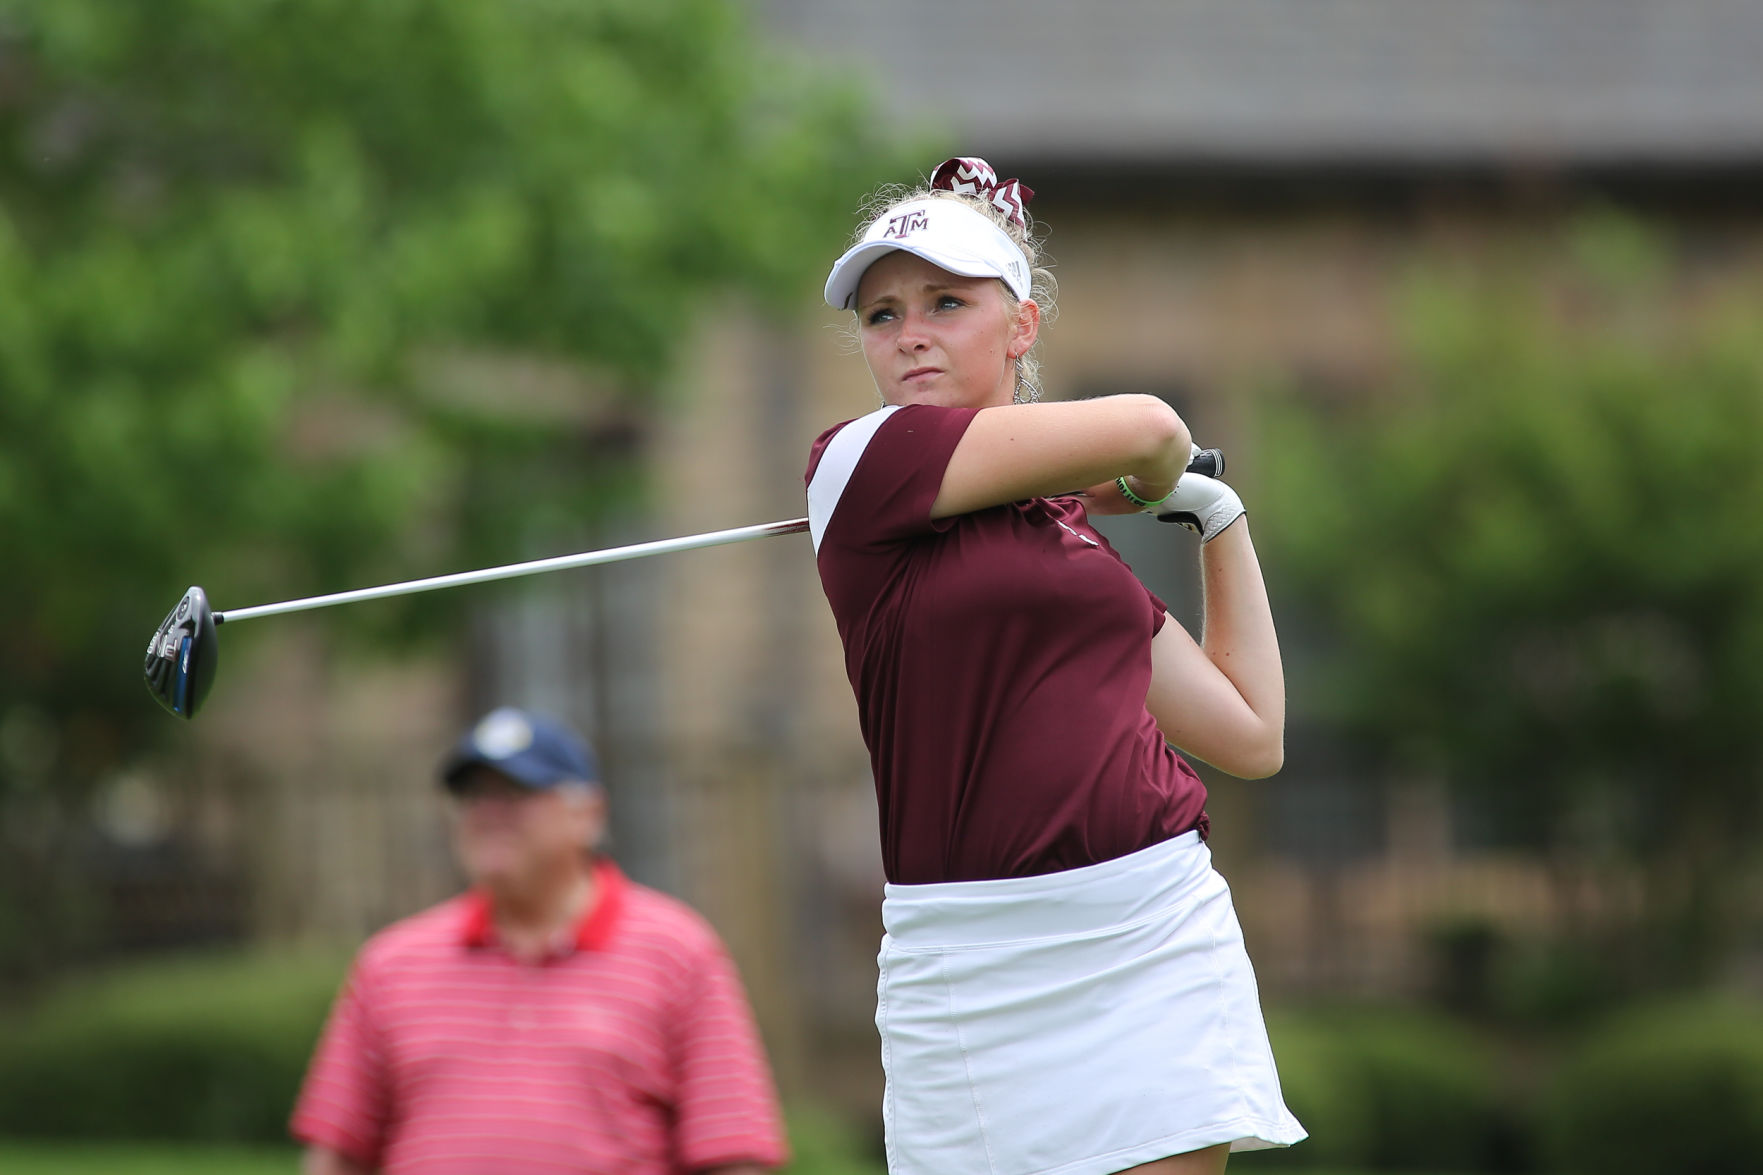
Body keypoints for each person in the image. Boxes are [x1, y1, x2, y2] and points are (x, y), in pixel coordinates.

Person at [805, 157, 1306, 1175]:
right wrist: (1138, 470)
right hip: (966, 957)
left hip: (1148, 927)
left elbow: (1249, 731)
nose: (909, 333)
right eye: (881, 313)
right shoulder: (860, 459)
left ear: (1019, 326)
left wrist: (1212, 512)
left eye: (946, 302)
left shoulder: (1071, 547)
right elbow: (1152, 428)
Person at [291, 706, 788, 1175]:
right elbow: (336, 1154)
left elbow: (732, 1152)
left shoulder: (678, 953)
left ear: (588, 814)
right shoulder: (390, 964)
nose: (487, 813)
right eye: (472, 797)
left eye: (514, 794)